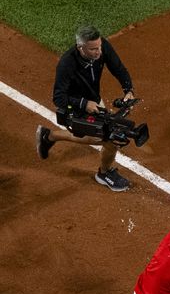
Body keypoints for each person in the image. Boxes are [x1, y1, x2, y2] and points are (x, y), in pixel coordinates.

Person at [38, 24, 137, 191]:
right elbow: (58, 98)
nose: (99, 52)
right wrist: (84, 104)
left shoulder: (101, 46)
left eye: (99, 47)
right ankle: (104, 173)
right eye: (93, 49)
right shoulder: (67, 63)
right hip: (74, 106)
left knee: (101, 137)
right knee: (111, 137)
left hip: (93, 101)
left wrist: (128, 90)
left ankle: (49, 136)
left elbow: (118, 68)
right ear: (80, 47)